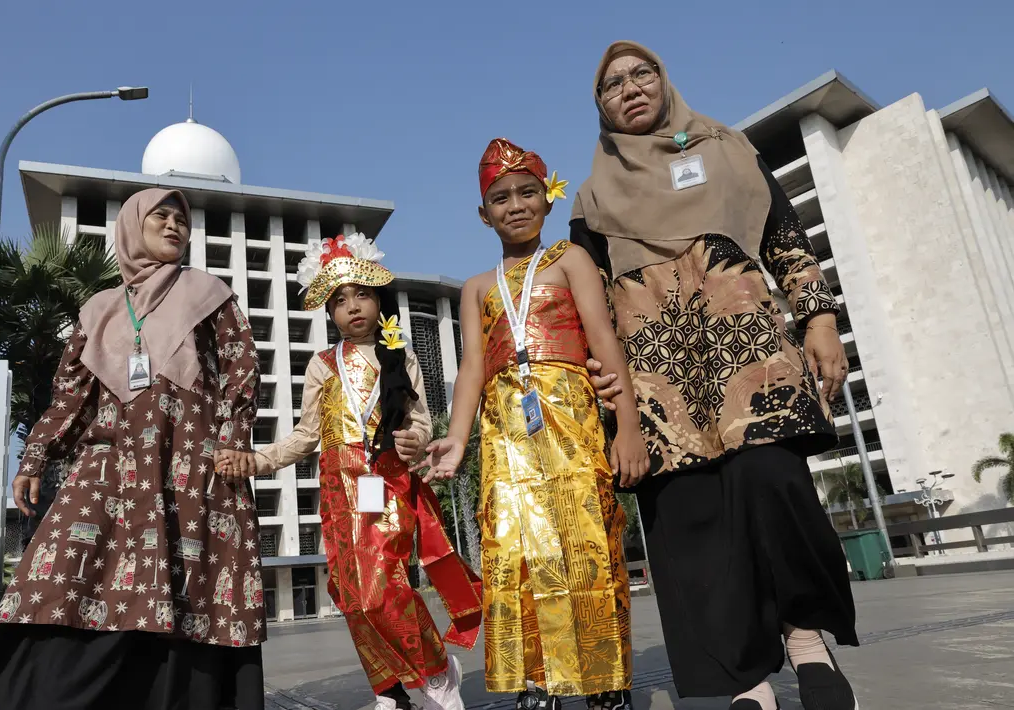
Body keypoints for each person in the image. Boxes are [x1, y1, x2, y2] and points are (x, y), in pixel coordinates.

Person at [573, 41, 859, 710]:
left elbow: (784, 236)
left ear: (664, 80)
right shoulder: (591, 195)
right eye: (611, 84)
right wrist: (609, 399)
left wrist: (817, 319)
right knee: (690, 522)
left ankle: (804, 641)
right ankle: (743, 681)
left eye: (642, 73)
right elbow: (588, 308)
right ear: (601, 108)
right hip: (658, 379)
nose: (630, 88)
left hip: (748, 355)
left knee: (773, 485)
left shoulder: (726, 150)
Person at [0, 188, 265, 710]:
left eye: (181, 219)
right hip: (109, 463)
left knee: (191, 584)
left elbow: (240, 371)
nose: (174, 226)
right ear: (134, 226)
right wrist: (36, 456)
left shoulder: (210, 294)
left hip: (190, 466)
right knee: (63, 570)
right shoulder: (98, 310)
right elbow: (71, 395)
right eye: (160, 216)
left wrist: (233, 442)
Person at [418, 138, 645, 710]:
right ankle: (536, 680)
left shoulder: (570, 259)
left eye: (526, 193)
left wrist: (629, 428)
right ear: (482, 213)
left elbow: (603, 339)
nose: (515, 205)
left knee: (586, 542)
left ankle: (601, 678)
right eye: (500, 198)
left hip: (569, 418)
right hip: (504, 433)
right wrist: (457, 439)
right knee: (515, 549)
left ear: (547, 199)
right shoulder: (476, 287)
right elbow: (471, 366)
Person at [249, 234, 484, 710]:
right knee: (349, 594)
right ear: (328, 312)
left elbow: (419, 422)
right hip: (338, 490)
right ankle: (389, 692)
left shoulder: (401, 355)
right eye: (340, 300)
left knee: (383, 589)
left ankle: (438, 671)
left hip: (388, 483)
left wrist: (416, 441)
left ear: (378, 299)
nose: (353, 307)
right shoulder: (321, 365)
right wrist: (259, 460)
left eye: (362, 294)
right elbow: (306, 434)